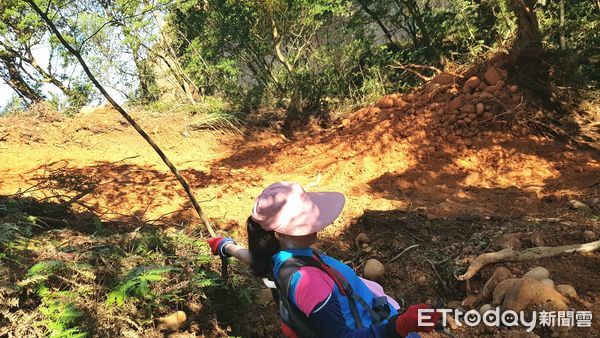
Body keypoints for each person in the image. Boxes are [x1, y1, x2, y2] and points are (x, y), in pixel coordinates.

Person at [208, 182, 440, 337]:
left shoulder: (282, 258)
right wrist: (401, 325)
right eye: (305, 220)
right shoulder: (309, 282)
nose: (317, 222)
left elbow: (256, 260)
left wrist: (226, 246)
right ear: (280, 232)